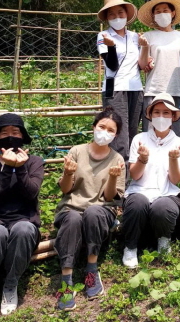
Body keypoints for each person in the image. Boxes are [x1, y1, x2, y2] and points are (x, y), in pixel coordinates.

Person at [0, 113, 44, 321]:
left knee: (23, 230)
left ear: (22, 137)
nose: (10, 137)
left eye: (15, 132)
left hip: (24, 218)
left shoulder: (35, 162)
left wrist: (20, 169)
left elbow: (31, 192)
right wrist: (6, 169)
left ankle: (10, 284)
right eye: (4, 133)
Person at [53, 107, 125, 310]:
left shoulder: (117, 159)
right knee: (74, 218)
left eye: (110, 130)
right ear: (93, 127)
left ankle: (91, 270)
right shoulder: (76, 151)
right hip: (72, 207)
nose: (105, 132)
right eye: (102, 126)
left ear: (115, 134)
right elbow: (66, 190)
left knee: (93, 212)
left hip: (101, 209)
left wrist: (112, 177)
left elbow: (110, 197)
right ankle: (66, 280)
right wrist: (67, 174)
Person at [121, 93, 180, 268]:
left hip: (167, 192)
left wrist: (173, 159)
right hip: (139, 190)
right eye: (157, 112)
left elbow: (175, 180)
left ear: (173, 117)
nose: (161, 117)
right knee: (136, 203)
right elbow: (135, 175)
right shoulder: (139, 139)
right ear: (150, 116)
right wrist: (142, 159)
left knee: (163, 207)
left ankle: (164, 240)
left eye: (166, 113)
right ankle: (130, 246)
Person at [96, 0, 147, 161]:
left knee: (132, 133)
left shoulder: (135, 37)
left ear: (126, 15)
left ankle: (130, 177)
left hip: (135, 88)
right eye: (112, 15)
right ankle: (118, 181)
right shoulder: (103, 35)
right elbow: (111, 65)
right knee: (118, 135)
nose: (117, 17)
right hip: (115, 89)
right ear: (107, 18)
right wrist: (111, 47)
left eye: (120, 13)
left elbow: (141, 64)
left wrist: (146, 50)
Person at [138, 0, 180, 138]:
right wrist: (145, 48)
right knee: (150, 133)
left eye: (165, 10)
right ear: (153, 15)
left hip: (177, 89)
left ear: (173, 13)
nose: (162, 14)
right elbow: (142, 64)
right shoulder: (148, 36)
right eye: (158, 11)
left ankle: (176, 160)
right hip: (154, 89)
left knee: (176, 133)